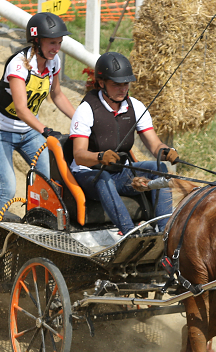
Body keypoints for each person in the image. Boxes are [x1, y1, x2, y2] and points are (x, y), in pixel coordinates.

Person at [68, 52, 178, 234]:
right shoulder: (86, 109)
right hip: (89, 176)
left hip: (121, 174)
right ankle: (130, 233)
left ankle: (164, 231)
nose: (122, 89)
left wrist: (167, 151)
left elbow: (154, 145)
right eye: (116, 84)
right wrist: (100, 157)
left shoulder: (136, 106)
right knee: (103, 178)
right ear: (102, 83)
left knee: (159, 168)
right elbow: (79, 156)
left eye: (125, 84)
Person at [0, 12, 76, 210]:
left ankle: (37, 227)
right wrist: (45, 130)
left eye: (59, 43)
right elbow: (21, 110)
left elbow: (57, 95)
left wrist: (80, 120)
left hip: (28, 133)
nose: (57, 48)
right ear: (37, 41)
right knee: (7, 191)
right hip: (0, 133)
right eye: (52, 43)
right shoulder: (18, 66)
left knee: (51, 184)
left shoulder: (53, 63)